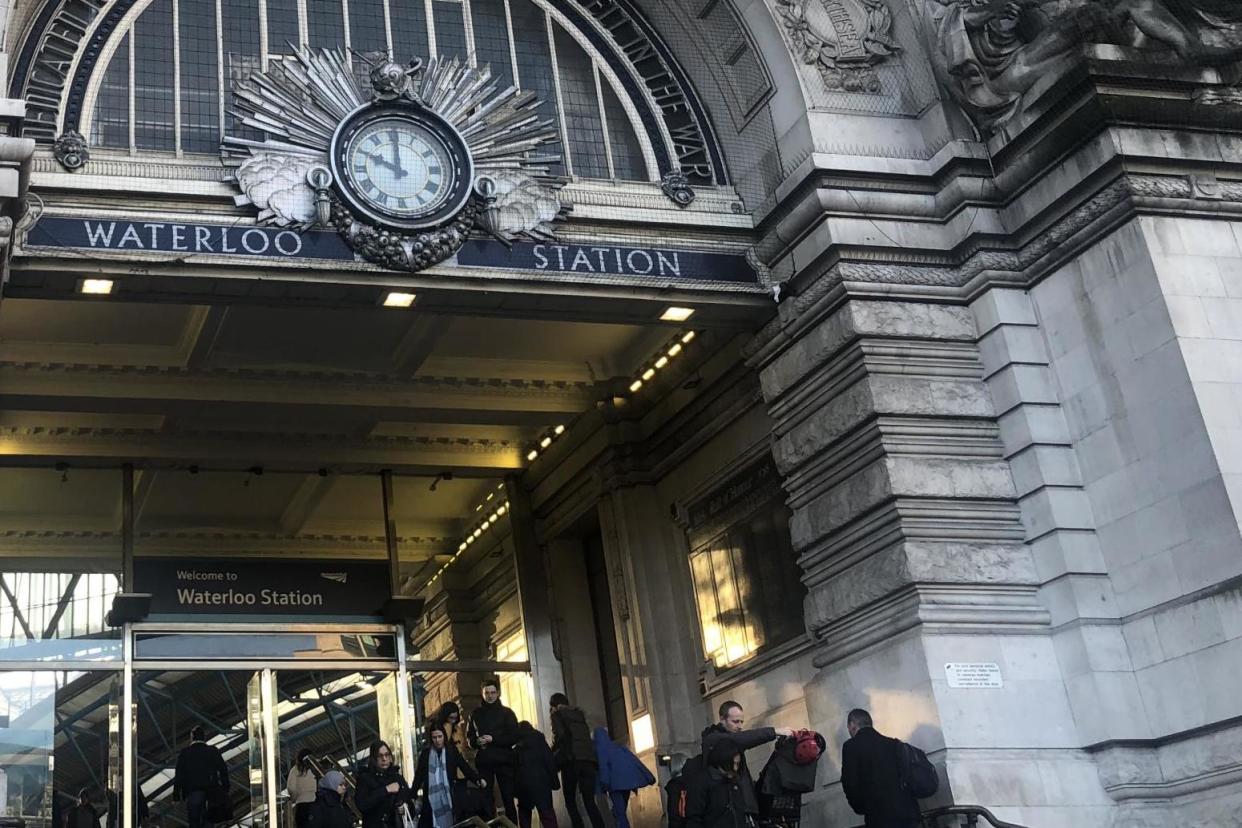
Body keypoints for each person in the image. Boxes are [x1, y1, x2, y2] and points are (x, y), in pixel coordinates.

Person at [700, 702, 792, 819]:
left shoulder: (730, 739)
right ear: (722, 719)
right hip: (729, 811)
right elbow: (738, 739)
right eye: (735, 721)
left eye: (741, 721)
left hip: (742, 809)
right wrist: (774, 732)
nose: (739, 726)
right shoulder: (714, 739)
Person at [840, 709, 922, 828]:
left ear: (852, 724)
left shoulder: (850, 747)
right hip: (908, 812)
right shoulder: (893, 744)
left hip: (879, 816)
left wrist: (861, 807)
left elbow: (850, 782)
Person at [467, 678, 520, 822]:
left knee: (508, 798)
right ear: (482, 694)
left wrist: (493, 739)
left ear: (498, 693)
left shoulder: (507, 713)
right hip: (486, 761)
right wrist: (476, 742)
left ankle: (512, 825)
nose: (490, 696)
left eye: (492, 692)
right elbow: (469, 738)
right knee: (487, 800)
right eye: (487, 693)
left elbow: (515, 736)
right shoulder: (475, 714)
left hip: (503, 760)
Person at [548, 693, 604, 828]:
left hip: (571, 761)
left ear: (554, 706)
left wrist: (551, 751)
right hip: (588, 761)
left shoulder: (557, 715)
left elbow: (560, 736)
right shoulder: (579, 716)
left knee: (570, 801)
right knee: (589, 801)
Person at [414, 723, 484, 828]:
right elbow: (418, 777)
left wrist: (477, 780)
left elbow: (464, 767)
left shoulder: (451, 751)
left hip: (448, 797)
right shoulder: (426, 754)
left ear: (444, 736)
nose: (437, 740)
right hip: (430, 800)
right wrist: (411, 795)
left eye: (439, 737)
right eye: (434, 737)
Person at [592, 727, 654, 828]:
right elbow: (635, 761)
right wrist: (649, 776)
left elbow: (603, 767)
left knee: (620, 812)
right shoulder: (619, 748)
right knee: (621, 810)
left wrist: (604, 783)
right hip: (628, 783)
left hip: (614, 784)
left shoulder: (601, 749)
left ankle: (620, 822)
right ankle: (618, 819)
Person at [174, 725, 229, 828]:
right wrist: (225, 788)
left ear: (192, 737)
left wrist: (176, 796)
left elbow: (179, 775)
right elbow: (223, 769)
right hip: (211, 793)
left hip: (193, 793)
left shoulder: (185, 753)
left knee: (194, 822)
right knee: (209, 821)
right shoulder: (213, 751)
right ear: (204, 737)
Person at [684, 739, 746, 828]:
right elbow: (694, 818)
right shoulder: (701, 782)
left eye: (737, 764)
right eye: (732, 764)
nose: (735, 768)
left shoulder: (733, 782)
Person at [356, 740, 414, 828]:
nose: (384, 759)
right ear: (374, 758)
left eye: (387, 755)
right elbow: (362, 804)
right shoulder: (365, 778)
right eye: (380, 756)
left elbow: (410, 805)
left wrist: (405, 807)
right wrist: (386, 790)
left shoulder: (397, 777)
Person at [514, 721, 558, 828]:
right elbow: (550, 762)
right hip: (542, 784)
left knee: (525, 817)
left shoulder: (517, 748)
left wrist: (515, 790)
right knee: (548, 816)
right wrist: (555, 783)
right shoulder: (541, 743)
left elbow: (513, 770)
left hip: (524, 787)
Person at [287, 748, 319, 828]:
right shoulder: (316, 767)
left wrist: (294, 798)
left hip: (302, 805)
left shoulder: (295, 770)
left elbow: (292, 788)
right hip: (317, 803)